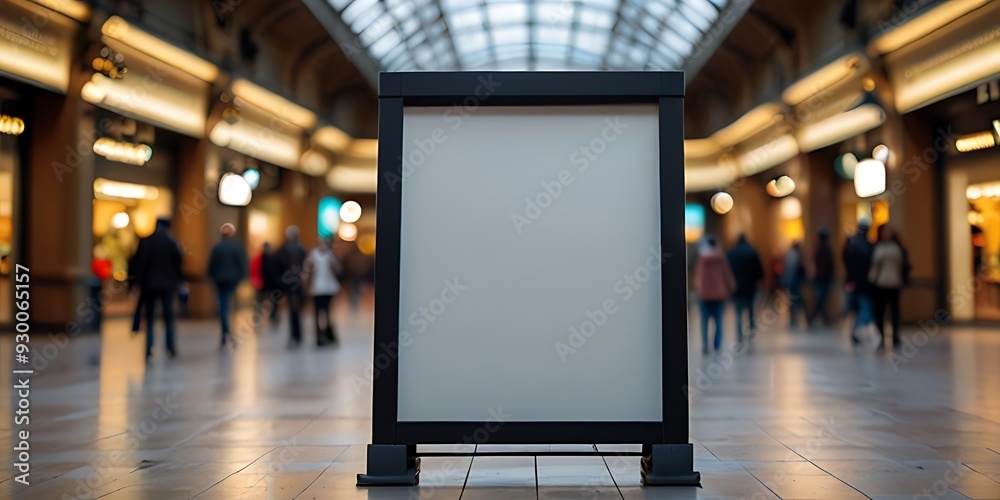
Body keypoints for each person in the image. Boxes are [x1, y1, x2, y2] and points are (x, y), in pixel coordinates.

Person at [132, 217, 183, 360]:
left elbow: (138, 264)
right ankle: (170, 347)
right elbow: (179, 263)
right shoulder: (171, 242)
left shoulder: (146, 241)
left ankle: (148, 348)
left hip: (149, 285)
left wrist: (137, 284)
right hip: (167, 285)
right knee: (168, 317)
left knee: (150, 317)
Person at [207, 223, 249, 348]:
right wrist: (241, 278)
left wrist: (212, 277)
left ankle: (226, 333)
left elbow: (211, 266)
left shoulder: (217, 247)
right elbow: (243, 264)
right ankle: (229, 333)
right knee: (231, 306)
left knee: (224, 306)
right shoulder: (237, 247)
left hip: (220, 280)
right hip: (233, 280)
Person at [869, 225, 910, 350]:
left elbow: (904, 265)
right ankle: (882, 336)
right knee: (880, 312)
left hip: (894, 284)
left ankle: (895, 336)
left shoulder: (897, 248)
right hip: (879, 284)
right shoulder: (877, 248)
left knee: (894, 312)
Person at [693, 236, 736, 354]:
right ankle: (716, 346)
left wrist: (698, 289)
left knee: (704, 321)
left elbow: (698, 276)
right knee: (718, 321)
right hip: (719, 294)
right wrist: (730, 287)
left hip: (704, 295)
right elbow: (727, 274)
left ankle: (705, 345)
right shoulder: (721, 258)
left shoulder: (702, 259)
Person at [304, 237, 343, 346]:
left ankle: (326, 335)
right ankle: (320, 336)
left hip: (326, 289)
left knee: (325, 313)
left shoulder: (327, 255)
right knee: (320, 313)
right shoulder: (314, 255)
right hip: (318, 289)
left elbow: (338, 269)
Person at [726, 234, 763, 347]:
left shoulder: (731, 253)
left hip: (736, 288)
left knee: (738, 313)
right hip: (750, 287)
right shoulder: (752, 252)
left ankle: (740, 337)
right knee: (751, 311)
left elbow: (727, 270)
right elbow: (759, 271)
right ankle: (751, 334)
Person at [843, 218, 875, 345]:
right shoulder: (865, 244)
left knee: (857, 308)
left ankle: (857, 329)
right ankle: (857, 329)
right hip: (863, 283)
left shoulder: (852, 242)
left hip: (854, 281)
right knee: (865, 308)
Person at [276, 225, 308, 347]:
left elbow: (279, 265)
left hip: (289, 283)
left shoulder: (284, 249)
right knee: (297, 310)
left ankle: (295, 336)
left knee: (292, 310)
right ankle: (298, 336)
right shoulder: (301, 248)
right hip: (298, 282)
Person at [809, 228, 835, 326]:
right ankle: (817, 318)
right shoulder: (824, 249)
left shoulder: (821, 249)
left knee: (820, 300)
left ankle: (819, 318)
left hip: (822, 279)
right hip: (822, 279)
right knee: (820, 300)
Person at [781, 241, 806, 330]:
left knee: (792, 300)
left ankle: (794, 319)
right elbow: (796, 269)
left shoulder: (789, 254)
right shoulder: (795, 255)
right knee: (796, 300)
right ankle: (798, 318)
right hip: (794, 281)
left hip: (790, 280)